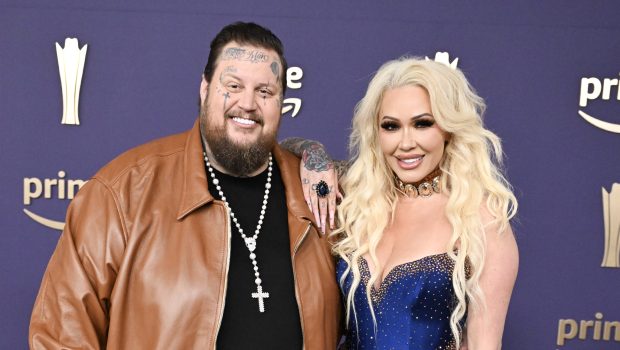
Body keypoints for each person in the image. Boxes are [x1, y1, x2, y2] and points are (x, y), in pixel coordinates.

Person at [29, 22, 341, 349]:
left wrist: (314, 151)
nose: (248, 103)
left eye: (265, 92)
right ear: (204, 89)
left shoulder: (318, 197)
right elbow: (60, 337)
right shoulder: (122, 192)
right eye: (233, 86)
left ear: (281, 103)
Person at [295, 57, 518, 349]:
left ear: (448, 129)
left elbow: (483, 344)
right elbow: (280, 152)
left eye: (422, 124)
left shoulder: (482, 220)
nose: (405, 143)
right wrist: (315, 154)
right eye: (391, 127)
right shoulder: (358, 198)